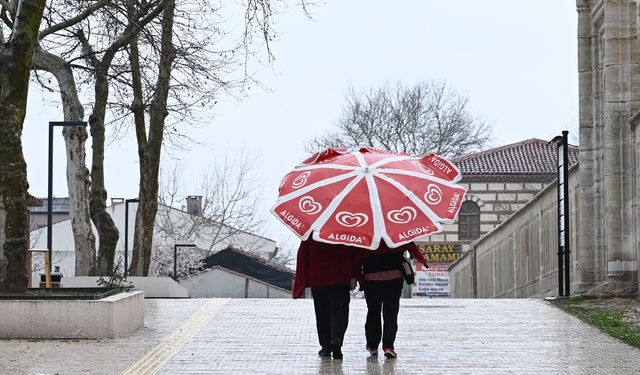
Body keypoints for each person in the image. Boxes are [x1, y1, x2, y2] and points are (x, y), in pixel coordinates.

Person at [292, 238, 360, 360]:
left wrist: (302, 282)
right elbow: (353, 254)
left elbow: (302, 256)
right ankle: (337, 338)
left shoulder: (312, 234)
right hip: (340, 278)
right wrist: (354, 275)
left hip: (318, 279)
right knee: (340, 312)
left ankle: (326, 347)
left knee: (322, 313)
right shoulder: (343, 233)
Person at [359, 241, 427, 359]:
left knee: (373, 312)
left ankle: (373, 345)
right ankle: (388, 347)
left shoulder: (368, 233)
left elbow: (357, 253)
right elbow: (410, 245)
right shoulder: (394, 231)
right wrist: (421, 260)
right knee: (391, 312)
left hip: (371, 278)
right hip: (394, 277)